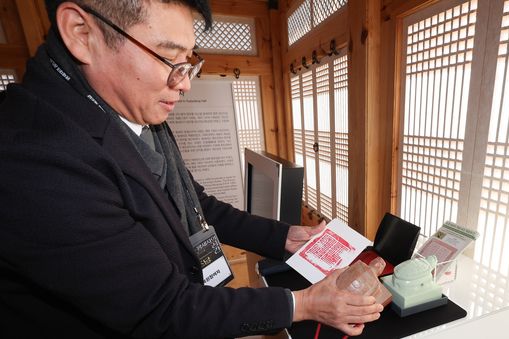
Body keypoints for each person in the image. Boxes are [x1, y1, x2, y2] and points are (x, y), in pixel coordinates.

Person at [0, 1, 384, 338]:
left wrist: (283, 237)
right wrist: (302, 305)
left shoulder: (129, 106)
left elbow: (196, 206)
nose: (183, 84)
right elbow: (160, 308)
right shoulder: (33, 156)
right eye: (169, 59)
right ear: (82, 33)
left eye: (188, 63)